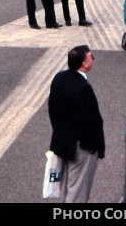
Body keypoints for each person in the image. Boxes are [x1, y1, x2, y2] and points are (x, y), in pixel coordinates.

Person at [47, 45, 105, 203]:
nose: (93, 59)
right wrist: (94, 147)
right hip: (81, 147)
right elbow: (90, 122)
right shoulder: (83, 88)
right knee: (77, 192)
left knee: (65, 188)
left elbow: (52, 108)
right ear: (84, 63)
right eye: (91, 56)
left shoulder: (59, 78)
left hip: (62, 141)